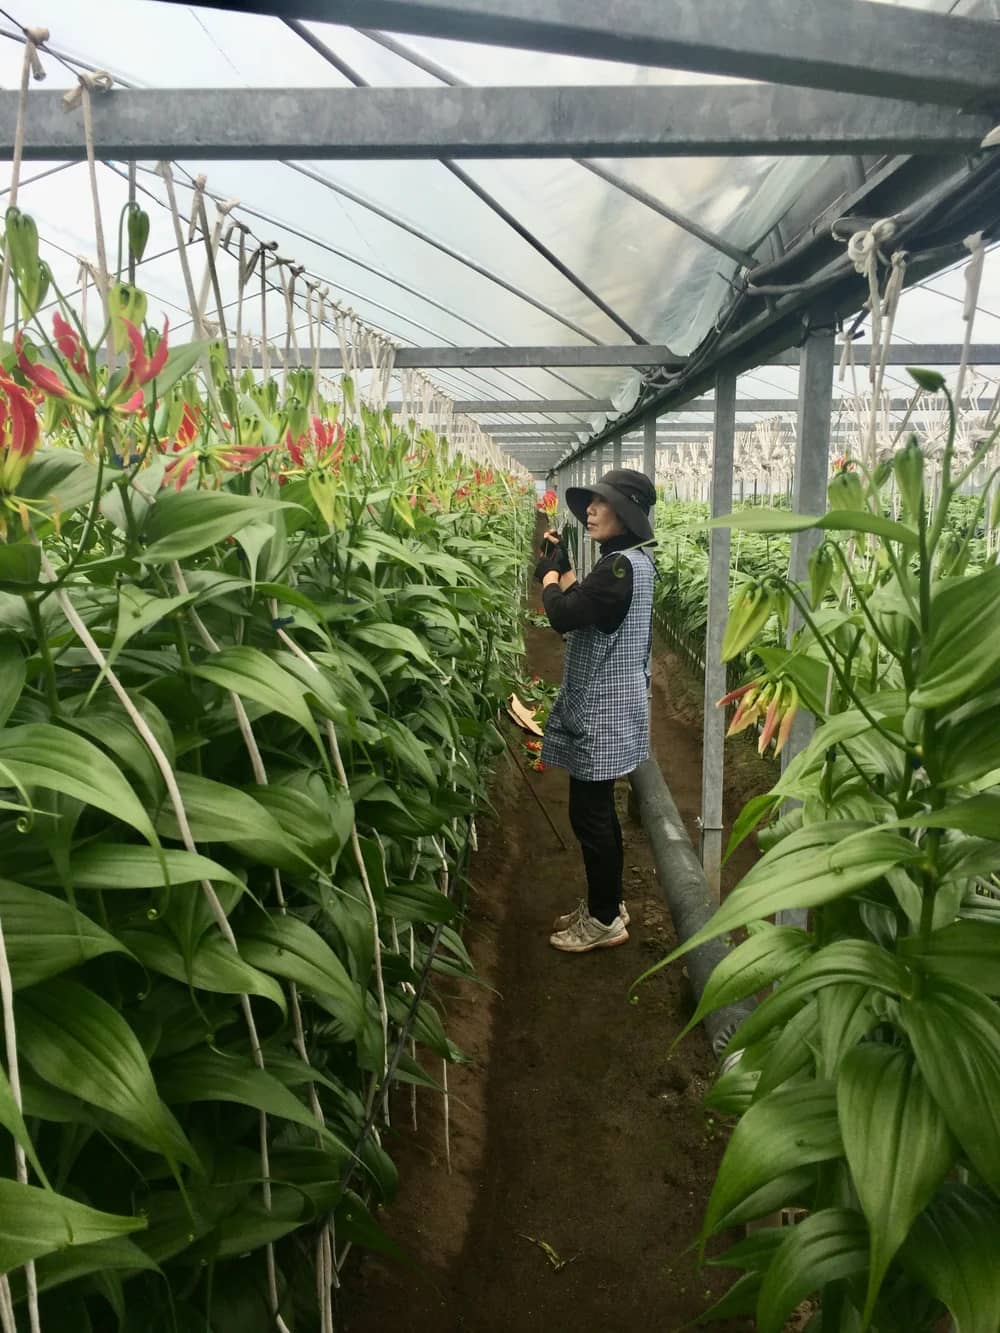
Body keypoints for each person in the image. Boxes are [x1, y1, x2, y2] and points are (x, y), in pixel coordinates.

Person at [532, 468, 657, 954]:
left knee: (591, 817)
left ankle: (603, 920)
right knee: (599, 813)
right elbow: (589, 607)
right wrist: (564, 568)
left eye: (602, 503)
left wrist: (547, 576)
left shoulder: (617, 569)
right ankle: (609, 905)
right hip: (617, 703)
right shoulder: (630, 564)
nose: (591, 509)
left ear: (625, 514)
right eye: (591, 502)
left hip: (603, 709)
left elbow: (564, 615)